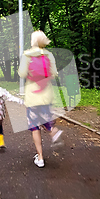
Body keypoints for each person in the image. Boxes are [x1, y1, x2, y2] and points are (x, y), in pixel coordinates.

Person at [18, 30, 63, 168]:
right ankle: (53, 131)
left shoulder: (27, 55)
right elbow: (54, 73)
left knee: (35, 127)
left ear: (32, 41)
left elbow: (22, 73)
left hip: (33, 96)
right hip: (46, 95)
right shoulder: (49, 55)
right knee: (46, 119)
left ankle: (41, 158)